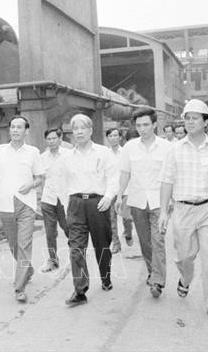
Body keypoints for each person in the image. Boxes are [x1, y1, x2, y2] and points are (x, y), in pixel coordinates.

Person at [158, 99, 208, 323]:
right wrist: (163, 211)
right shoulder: (174, 149)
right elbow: (166, 181)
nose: (190, 122)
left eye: (195, 118)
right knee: (185, 256)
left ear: (205, 121)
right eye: (187, 118)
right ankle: (185, 279)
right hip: (183, 210)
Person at [0, 116, 44, 303]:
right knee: (13, 244)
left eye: (19, 127)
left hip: (26, 204)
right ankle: (27, 269)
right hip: (5, 204)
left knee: (24, 244)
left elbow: (40, 177)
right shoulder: (0, 150)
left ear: (26, 131)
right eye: (13, 127)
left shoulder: (33, 152)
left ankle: (19, 287)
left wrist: (30, 185)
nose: (15, 130)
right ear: (9, 130)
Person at [63, 114, 119, 306]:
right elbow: (63, 182)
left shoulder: (103, 153)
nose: (79, 132)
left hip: (98, 203)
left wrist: (108, 197)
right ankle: (80, 291)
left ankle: (105, 277)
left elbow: (113, 177)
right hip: (76, 204)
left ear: (90, 130)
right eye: (75, 128)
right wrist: (67, 205)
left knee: (102, 244)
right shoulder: (67, 156)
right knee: (76, 248)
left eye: (82, 128)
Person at [116, 107, 171, 298]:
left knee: (158, 241)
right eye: (138, 125)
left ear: (154, 125)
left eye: (146, 125)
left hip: (159, 202)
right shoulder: (130, 147)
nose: (142, 129)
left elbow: (171, 176)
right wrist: (119, 195)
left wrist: (171, 201)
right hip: (137, 201)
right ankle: (152, 272)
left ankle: (158, 281)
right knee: (146, 242)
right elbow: (125, 173)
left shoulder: (166, 147)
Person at [39, 128, 71, 272]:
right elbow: (40, 178)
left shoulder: (68, 155)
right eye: (49, 139)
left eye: (54, 138)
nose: (51, 141)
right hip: (48, 199)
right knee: (50, 232)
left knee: (68, 228)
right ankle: (52, 260)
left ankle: (76, 255)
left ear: (60, 138)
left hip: (64, 199)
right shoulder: (42, 158)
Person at [105, 128, 134, 254]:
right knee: (111, 220)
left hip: (125, 191)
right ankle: (116, 244)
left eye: (115, 135)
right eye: (110, 136)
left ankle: (128, 232)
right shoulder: (105, 154)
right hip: (110, 191)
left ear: (120, 137)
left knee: (127, 217)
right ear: (107, 138)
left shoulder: (126, 152)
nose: (113, 138)